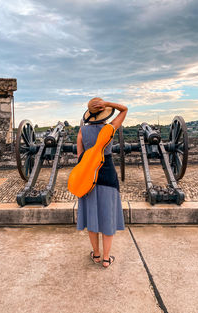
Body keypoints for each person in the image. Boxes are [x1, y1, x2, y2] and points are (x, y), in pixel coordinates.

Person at [76, 97, 128, 268]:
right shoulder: (109, 128)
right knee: (108, 216)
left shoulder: (82, 130)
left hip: (88, 177)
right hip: (107, 175)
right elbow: (125, 109)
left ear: (89, 114)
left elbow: (79, 157)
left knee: (92, 217)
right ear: (104, 113)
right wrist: (109, 104)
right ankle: (106, 258)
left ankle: (96, 255)